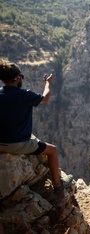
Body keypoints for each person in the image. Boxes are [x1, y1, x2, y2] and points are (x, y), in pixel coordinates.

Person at [0, 58, 73, 193]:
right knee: (52, 150)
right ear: (17, 78)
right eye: (21, 76)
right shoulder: (24, 95)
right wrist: (48, 84)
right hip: (15, 143)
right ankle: (58, 185)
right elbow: (45, 98)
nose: (22, 78)